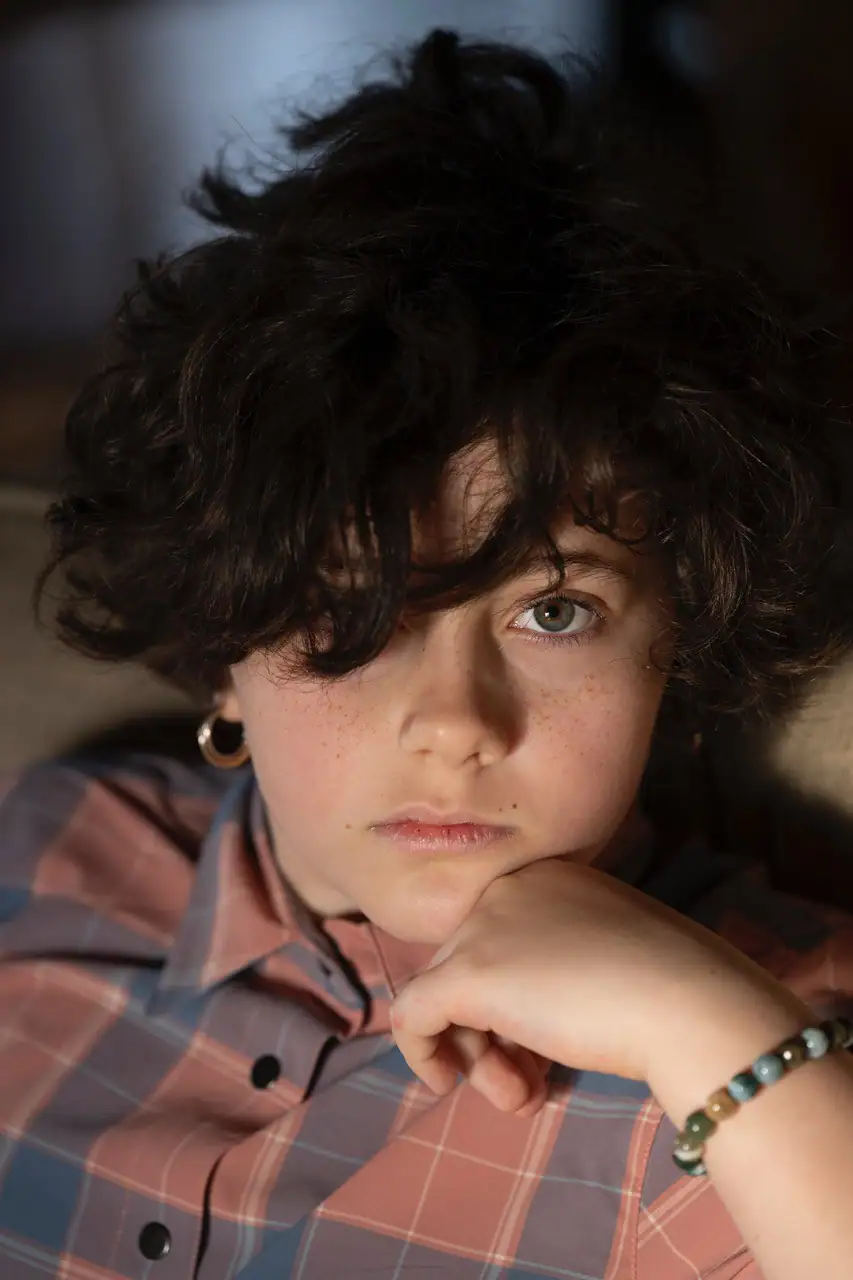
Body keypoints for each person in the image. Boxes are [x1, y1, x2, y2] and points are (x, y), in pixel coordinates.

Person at [2, 28, 853, 1280]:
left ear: (677, 644)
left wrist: (716, 1035)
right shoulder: (63, 852)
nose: (456, 723)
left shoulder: (786, 1031)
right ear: (223, 647)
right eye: (354, 613)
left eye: (552, 612)